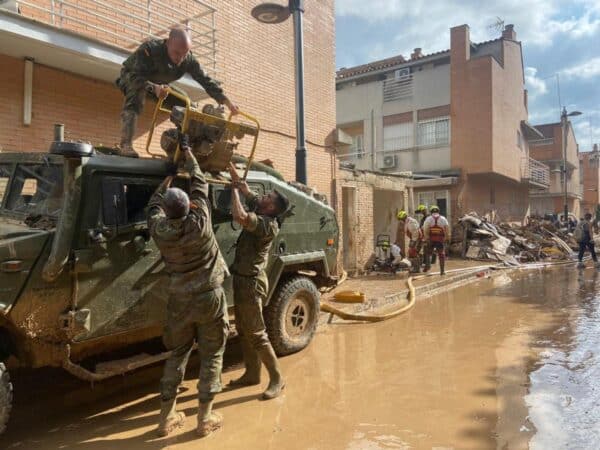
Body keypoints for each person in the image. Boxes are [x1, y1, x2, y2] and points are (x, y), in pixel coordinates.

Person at [147, 138, 229, 438]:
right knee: (212, 353)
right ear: (191, 206)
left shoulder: (160, 230)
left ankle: (166, 418)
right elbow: (200, 182)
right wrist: (190, 153)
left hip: (179, 298)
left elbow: (154, 205)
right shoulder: (201, 222)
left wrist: (166, 179)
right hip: (209, 297)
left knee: (177, 353)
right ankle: (205, 418)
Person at [116, 26, 239, 157]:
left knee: (186, 103)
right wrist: (153, 87)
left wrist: (227, 102)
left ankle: (186, 146)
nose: (180, 58)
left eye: (184, 54)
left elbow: (206, 80)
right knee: (137, 94)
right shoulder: (150, 50)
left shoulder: (188, 59)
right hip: (131, 78)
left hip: (160, 86)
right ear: (168, 43)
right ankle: (126, 145)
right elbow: (135, 76)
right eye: (176, 53)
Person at [227, 163, 290, 399]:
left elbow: (239, 216)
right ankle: (252, 374)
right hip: (242, 280)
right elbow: (243, 186)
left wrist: (232, 189)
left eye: (268, 196)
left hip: (252, 283)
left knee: (257, 333)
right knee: (243, 330)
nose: (262, 196)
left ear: (271, 207)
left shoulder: (266, 224)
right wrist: (229, 164)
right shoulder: (262, 208)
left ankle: (277, 379)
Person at [422, 205, 450, 275]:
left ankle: (427, 268)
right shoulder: (443, 219)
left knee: (428, 253)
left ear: (431, 212)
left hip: (431, 239)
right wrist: (447, 238)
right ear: (438, 211)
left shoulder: (428, 219)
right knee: (441, 254)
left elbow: (425, 229)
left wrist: (426, 238)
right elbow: (447, 229)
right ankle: (442, 271)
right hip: (440, 240)